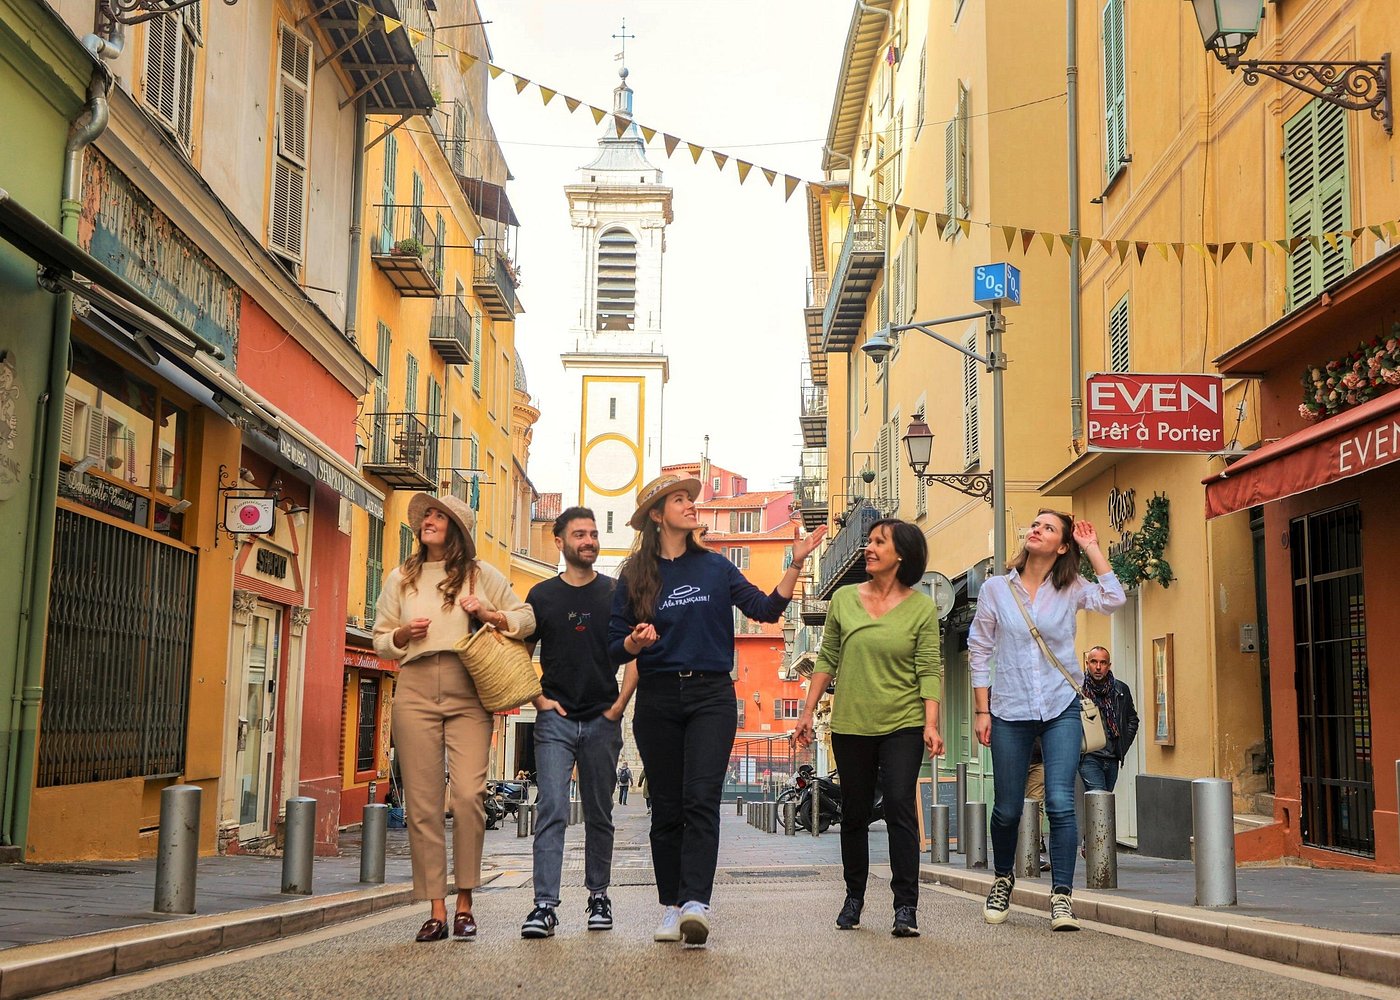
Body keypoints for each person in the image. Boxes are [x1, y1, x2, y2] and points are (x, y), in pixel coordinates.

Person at [609, 473, 825, 948]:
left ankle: (695, 903)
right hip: (658, 698)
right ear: (657, 515)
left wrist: (796, 562)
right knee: (666, 806)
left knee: (701, 799)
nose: (692, 505)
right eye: (680, 500)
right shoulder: (635, 576)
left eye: (691, 499)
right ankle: (671, 905)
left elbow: (765, 609)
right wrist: (633, 642)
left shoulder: (715, 568)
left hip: (711, 695)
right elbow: (612, 645)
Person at [373, 492, 535, 943]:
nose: (428, 520)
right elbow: (379, 640)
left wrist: (488, 613)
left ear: (456, 530)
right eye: (426, 515)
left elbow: (526, 618)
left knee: (467, 795)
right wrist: (402, 634)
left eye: (438, 516)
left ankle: (465, 900)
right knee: (423, 804)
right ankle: (436, 909)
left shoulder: (481, 575)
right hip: (415, 686)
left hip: (470, 687)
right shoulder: (401, 578)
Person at [969, 510, 1124, 932]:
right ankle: (1003, 878)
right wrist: (982, 710)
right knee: (1006, 809)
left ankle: (1062, 897)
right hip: (1009, 710)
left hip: (1061, 708)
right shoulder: (996, 589)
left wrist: (1092, 548)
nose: (1036, 529)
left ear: (1062, 546)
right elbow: (979, 650)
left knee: (1060, 802)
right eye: (1035, 524)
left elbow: (1114, 599)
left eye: (1048, 527)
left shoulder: (1071, 587)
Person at [795, 519, 943, 938]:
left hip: (903, 723)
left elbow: (929, 668)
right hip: (852, 723)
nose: (869, 547)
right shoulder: (844, 600)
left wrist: (931, 723)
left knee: (898, 805)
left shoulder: (921, 608)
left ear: (902, 555)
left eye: (880, 542)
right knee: (855, 812)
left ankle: (906, 907)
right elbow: (827, 658)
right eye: (870, 540)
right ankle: (854, 897)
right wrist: (806, 712)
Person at [518, 506, 636, 940]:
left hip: (603, 719)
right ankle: (544, 906)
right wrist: (538, 699)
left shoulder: (615, 593)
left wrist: (619, 705)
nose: (589, 541)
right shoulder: (541, 595)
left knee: (600, 812)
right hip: (555, 721)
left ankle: (599, 896)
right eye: (579, 534)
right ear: (560, 542)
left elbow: (636, 651)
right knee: (550, 808)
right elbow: (518, 653)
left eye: (593, 534)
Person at [1079, 646, 1139, 792]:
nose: (1098, 667)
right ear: (1087, 664)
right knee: (1099, 796)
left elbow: (1132, 720)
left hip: (1112, 758)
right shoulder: (1078, 689)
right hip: (1089, 757)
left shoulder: (1120, 689)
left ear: (1109, 665)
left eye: (1103, 662)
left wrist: (1122, 746)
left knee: (1105, 798)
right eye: (1094, 662)